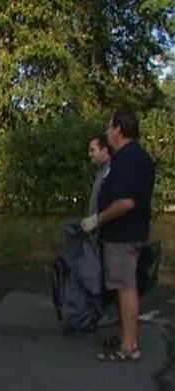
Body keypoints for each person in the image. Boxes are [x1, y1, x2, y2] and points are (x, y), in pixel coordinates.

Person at [81, 109, 155, 361]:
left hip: (123, 234)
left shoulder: (124, 159)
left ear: (119, 130)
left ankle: (129, 345)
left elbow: (125, 202)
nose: (107, 131)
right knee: (123, 286)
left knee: (125, 287)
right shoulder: (140, 157)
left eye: (109, 126)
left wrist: (97, 219)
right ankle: (125, 335)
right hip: (133, 231)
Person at [87, 134, 118, 327]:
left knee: (111, 273)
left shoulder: (112, 171)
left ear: (105, 150)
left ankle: (113, 312)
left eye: (93, 150)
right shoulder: (102, 172)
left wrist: (98, 220)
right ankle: (107, 309)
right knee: (103, 272)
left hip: (108, 230)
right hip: (99, 229)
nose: (90, 154)